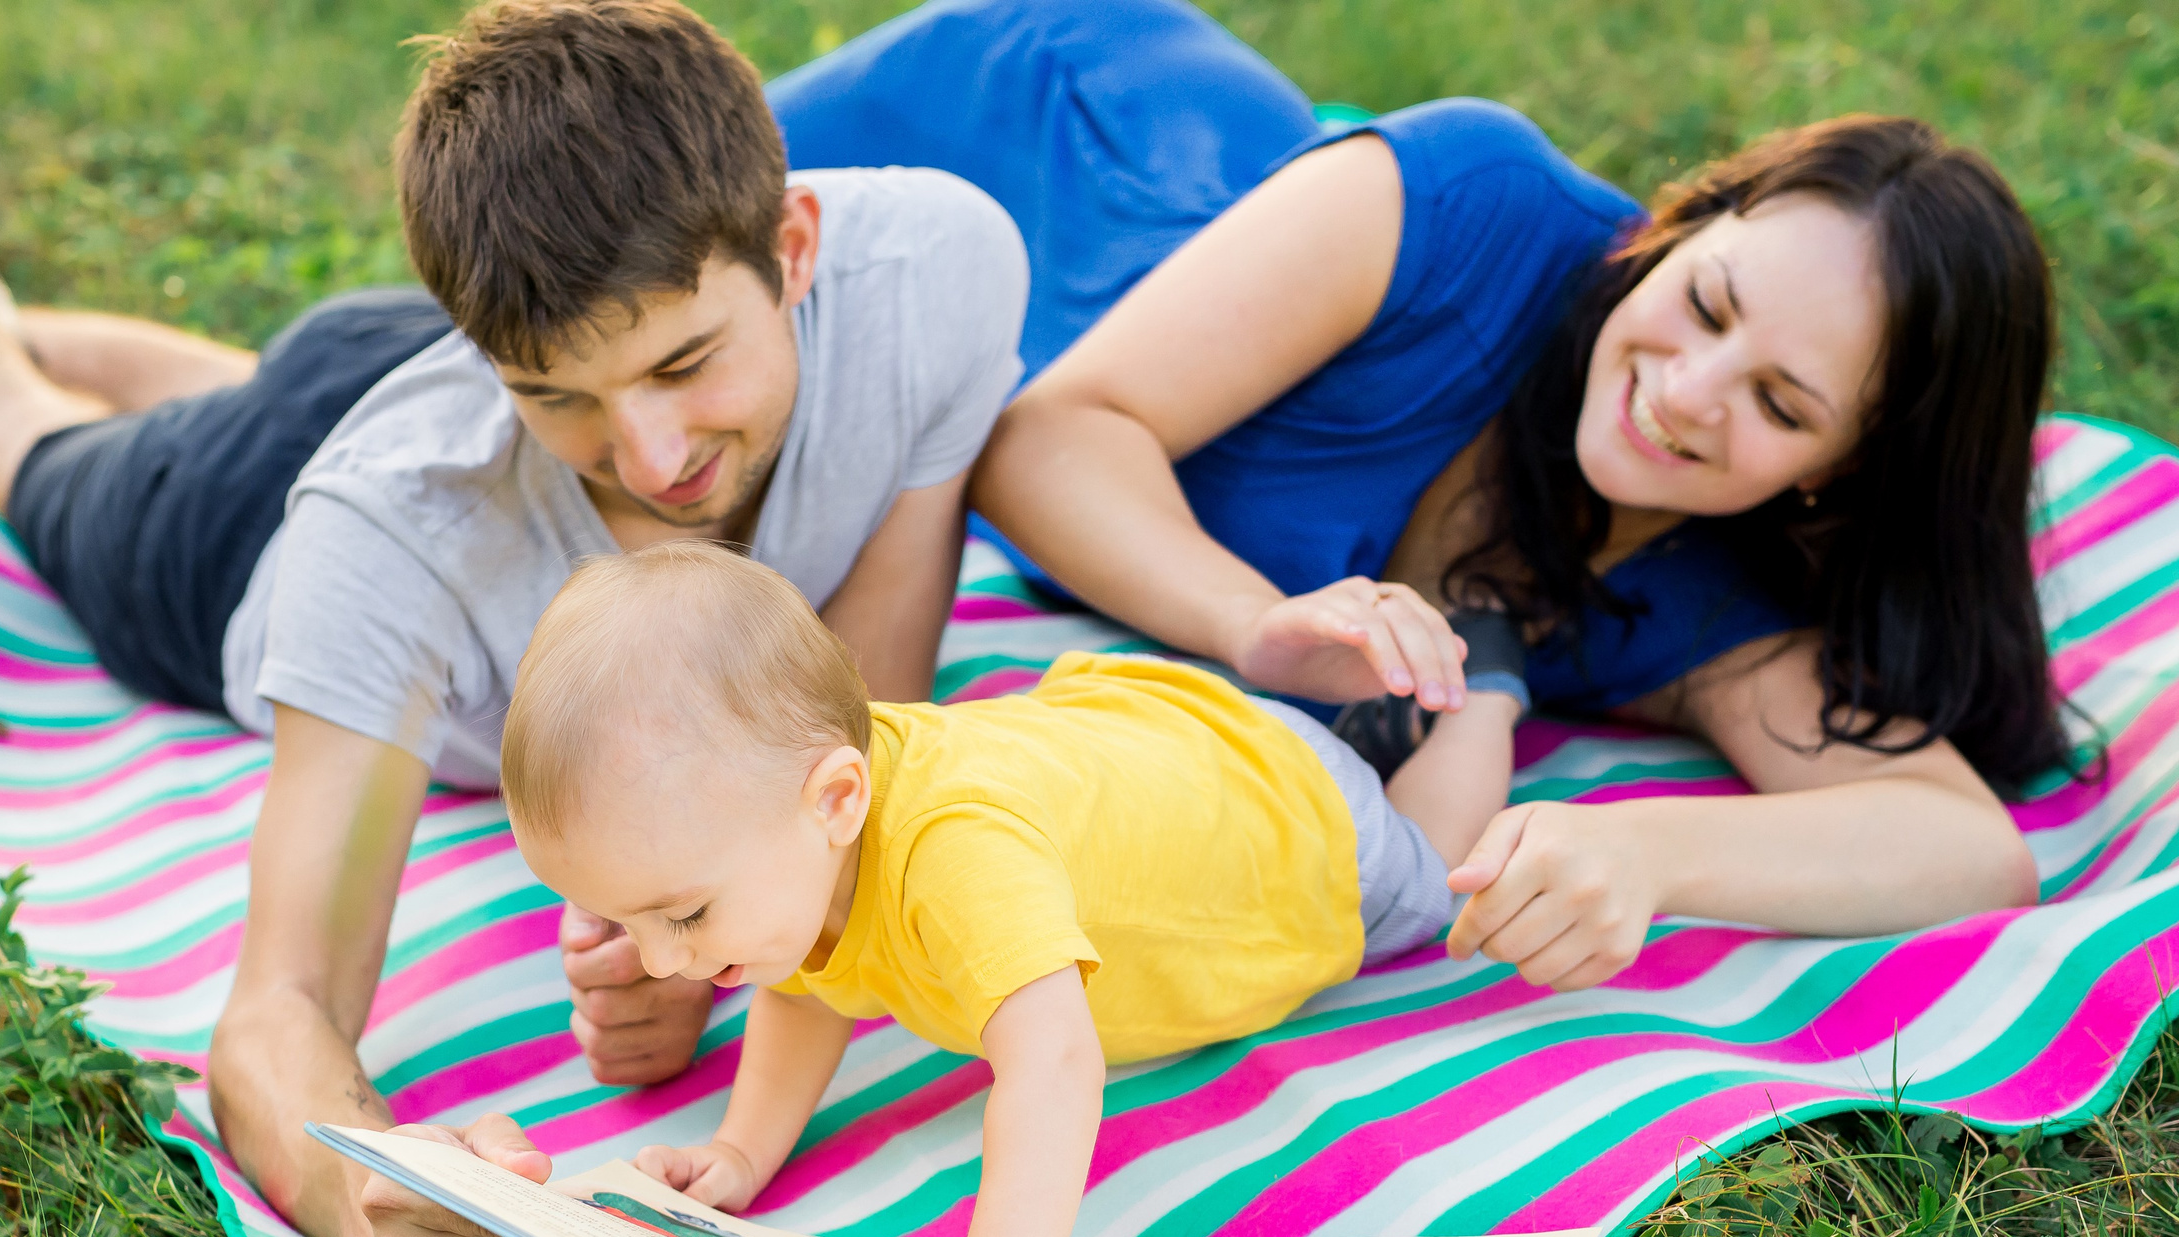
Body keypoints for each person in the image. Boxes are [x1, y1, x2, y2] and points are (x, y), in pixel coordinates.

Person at [0, 0, 1029, 1237]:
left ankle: (94, 337)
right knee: (13, 423)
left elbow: (859, 734)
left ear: (794, 247)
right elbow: (276, 1014)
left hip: (397, 375)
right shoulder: (379, 544)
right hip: (227, 527)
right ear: (492, 369)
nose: (655, 461)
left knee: (282, 383)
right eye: (562, 402)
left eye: (689, 363)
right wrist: (371, 1191)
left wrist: (722, 929)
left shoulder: (933, 281)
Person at [778, 0, 2063, 995]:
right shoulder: (1475, 202)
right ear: (1681, 229)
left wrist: (1648, 854)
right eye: (1706, 302)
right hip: (1070, 123)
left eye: (1781, 405)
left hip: (1100, 256)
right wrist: (1251, 625)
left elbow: (1965, 845)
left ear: (1840, 468)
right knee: (616, 205)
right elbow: (1048, 434)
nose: (1688, 391)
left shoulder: (1704, 586)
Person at [491, 541, 1511, 1237]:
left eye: (684, 914)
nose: (665, 965)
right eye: (629, 924)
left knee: (1440, 875)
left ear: (839, 799)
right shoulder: (787, 834)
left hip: (1297, 828)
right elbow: (808, 987)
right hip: (1147, 747)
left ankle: (1480, 687)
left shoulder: (955, 852)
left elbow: (1054, 1061)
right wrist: (741, 1150)